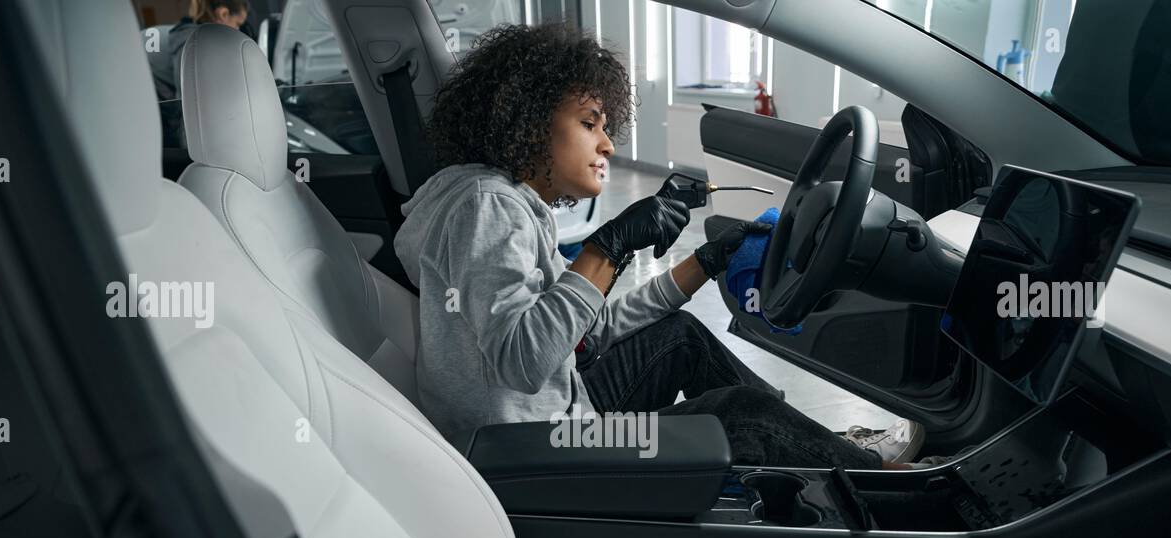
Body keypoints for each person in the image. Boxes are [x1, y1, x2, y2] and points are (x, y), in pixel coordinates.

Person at [395, 23, 930, 469]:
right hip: (531, 455)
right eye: (588, 124)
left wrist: (705, 262)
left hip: (551, 421)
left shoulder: (497, 200)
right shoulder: (487, 207)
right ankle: (877, 478)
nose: (607, 143)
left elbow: (589, 331)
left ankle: (810, 445)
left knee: (679, 338)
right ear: (528, 123)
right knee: (740, 412)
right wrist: (607, 248)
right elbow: (522, 360)